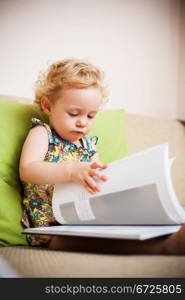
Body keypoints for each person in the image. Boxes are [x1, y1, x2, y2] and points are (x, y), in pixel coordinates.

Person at [20, 58, 185, 254]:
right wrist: (71, 170)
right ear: (47, 106)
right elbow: (28, 169)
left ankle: (167, 229)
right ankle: (165, 247)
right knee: (92, 242)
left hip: (84, 217)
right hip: (50, 229)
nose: (83, 123)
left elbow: (100, 181)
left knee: (124, 222)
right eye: (74, 113)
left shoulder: (88, 145)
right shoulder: (43, 133)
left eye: (90, 116)